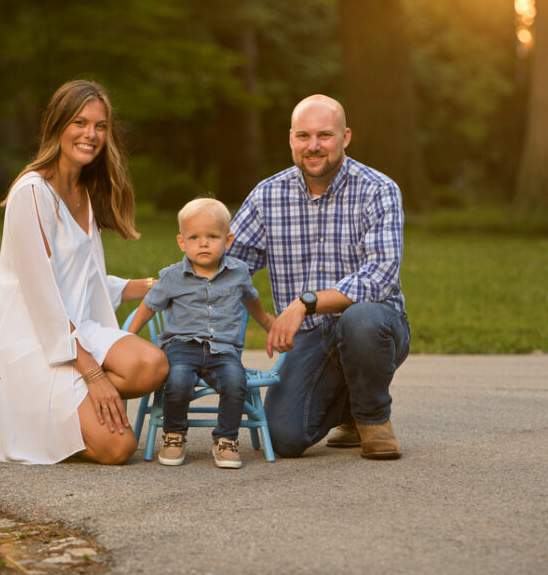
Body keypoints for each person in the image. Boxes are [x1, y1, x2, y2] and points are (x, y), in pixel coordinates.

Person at [0, 79, 168, 465]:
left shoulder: (85, 191)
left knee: (151, 365)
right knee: (119, 448)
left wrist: (150, 285)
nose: (91, 134)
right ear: (57, 125)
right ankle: (34, 417)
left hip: (74, 327)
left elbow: (79, 279)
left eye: (100, 126)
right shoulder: (32, 192)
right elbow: (43, 295)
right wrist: (94, 376)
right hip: (33, 340)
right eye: (80, 123)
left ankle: (73, 409)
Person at [228, 94, 410, 460]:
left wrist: (304, 303)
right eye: (303, 136)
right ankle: (348, 411)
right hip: (310, 341)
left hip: (375, 327)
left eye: (324, 135)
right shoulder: (268, 195)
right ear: (291, 139)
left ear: (345, 137)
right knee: (283, 438)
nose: (313, 147)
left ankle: (373, 419)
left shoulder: (378, 189)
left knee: (361, 319)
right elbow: (230, 267)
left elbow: (379, 277)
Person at [126, 198, 273, 469]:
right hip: (181, 347)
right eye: (194, 237)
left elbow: (251, 298)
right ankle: (174, 434)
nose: (203, 243)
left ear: (227, 241)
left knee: (234, 381)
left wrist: (265, 322)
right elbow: (148, 306)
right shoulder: (172, 277)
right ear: (182, 242)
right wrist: (130, 336)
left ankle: (226, 439)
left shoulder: (238, 273)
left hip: (224, 350)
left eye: (212, 236)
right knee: (178, 380)